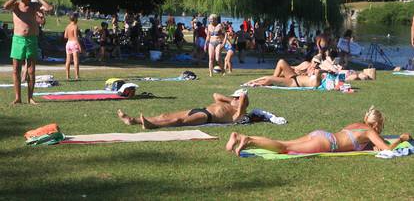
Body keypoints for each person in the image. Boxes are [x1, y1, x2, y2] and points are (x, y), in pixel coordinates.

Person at [226, 107, 412, 156]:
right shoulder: (371, 132)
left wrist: (371, 147)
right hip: (327, 143)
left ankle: (240, 136)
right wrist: (401, 138)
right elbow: (387, 149)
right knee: (284, 147)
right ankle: (248, 140)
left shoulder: (357, 125)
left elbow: (364, 144)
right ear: (377, 124)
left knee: (286, 143)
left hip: (321, 134)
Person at [3, 0, 52, 105]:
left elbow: (50, 8)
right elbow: (5, 6)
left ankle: (30, 98)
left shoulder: (34, 6)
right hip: (18, 40)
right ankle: (18, 98)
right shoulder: (16, 5)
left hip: (31, 40)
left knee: (31, 70)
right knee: (16, 70)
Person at [117, 89, 249, 129]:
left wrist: (240, 99)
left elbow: (243, 98)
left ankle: (152, 125)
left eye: (237, 98)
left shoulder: (239, 113)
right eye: (235, 98)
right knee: (165, 115)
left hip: (207, 116)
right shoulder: (229, 104)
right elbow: (215, 95)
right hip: (200, 109)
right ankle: (132, 120)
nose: (236, 99)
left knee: (178, 120)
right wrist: (231, 100)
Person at [243, 58, 321, 88]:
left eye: (318, 63)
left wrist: (317, 73)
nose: (315, 64)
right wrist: (299, 71)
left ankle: (254, 82)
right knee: (281, 61)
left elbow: (316, 84)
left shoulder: (318, 74)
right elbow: (294, 67)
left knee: (270, 78)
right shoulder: (306, 64)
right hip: (294, 75)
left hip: (294, 82)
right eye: (314, 62)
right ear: (311, 61)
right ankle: (270, 80)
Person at [63, 12, 82, 80]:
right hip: (74, 43)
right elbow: (76, 37)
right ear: (75, 19)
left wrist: (69, 36)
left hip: (68, 43)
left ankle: (67, 76)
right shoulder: (75, 26)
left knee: (68, 61)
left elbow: (65, 36)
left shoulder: (67, 26)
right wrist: (79, 46)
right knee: (76, 61)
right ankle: (77, 76)